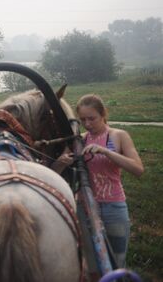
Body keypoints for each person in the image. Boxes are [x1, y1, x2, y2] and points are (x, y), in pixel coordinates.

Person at [55, 94, 144, 268]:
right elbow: (54, 174)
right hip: (84, 207)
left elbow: (138, 169)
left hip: (113, 205)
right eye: (83, 120)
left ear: (103, 114)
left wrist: (107, 152)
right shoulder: (79, 140)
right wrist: (60, 162)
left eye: (92, 118)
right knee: (90, 262)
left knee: (117, 260)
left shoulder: (118, 136)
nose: (87, 124)